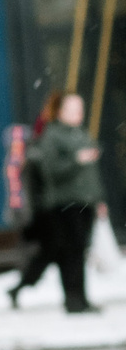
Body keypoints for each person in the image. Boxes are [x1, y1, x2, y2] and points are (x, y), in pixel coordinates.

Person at [22, 92, 104, 313]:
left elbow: (91, 175)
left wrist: (99, 199)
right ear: (60, 112)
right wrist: (76, 160)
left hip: (84, 201)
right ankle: (73, 299)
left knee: (79, 251)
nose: (78, 114)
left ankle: (81, 298)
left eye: (80, 109)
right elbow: (51, 171)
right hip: (65, 203)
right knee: (70, 253)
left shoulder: (80, 134)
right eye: (72, 109)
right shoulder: (52, 136)